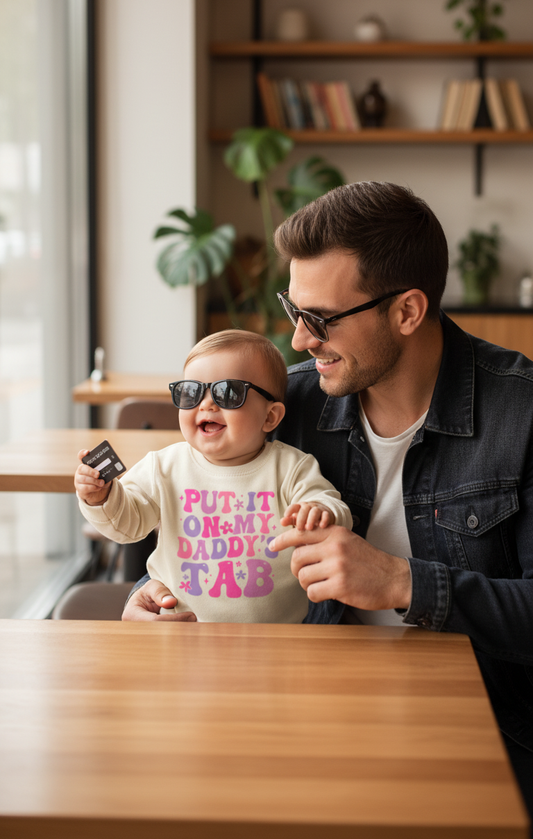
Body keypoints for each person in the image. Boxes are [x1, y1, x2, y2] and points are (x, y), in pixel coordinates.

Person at [123, 182, 533, 820]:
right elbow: (175, 506)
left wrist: (402, 582)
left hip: (486, 732)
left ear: (407, 311)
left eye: (320, 319)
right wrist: (144, 600)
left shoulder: (523, 413)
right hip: (298, 707)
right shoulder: (282, 406)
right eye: (294, 310)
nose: (298, 341)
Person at [75, 329, 351, 623]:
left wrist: (320, 513)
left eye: (228, 393)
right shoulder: (164, 466)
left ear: (270, 417)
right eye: (191, 392)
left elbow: (331, 507)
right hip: (183, 633)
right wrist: (101, 497)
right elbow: (126, 524)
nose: (206, 404)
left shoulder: (291, 468)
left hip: (276, 642)